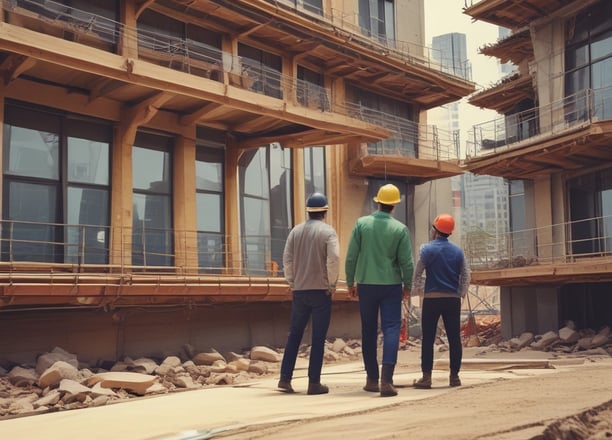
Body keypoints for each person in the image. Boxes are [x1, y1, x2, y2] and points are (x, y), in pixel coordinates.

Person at [345, 183, 414, 397]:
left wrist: (350, 282)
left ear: (377, 202)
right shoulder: (400, 229)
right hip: (391, 285)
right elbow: (407, 262)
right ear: (394, 206)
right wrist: (408, 286)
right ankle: (387, 379)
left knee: (368, 330)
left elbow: (351, 257)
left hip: (366, 284)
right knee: (391, 328)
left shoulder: (361, 224)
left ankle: (372, 379)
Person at [278, 192, 340, 395]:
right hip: (321, 291)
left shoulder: (295, 232)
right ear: (325, 211)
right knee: (318, 338)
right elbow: (334, 258)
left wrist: (292, 282)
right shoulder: (328, 232)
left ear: (308, 211)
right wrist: (332, 284)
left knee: (294, 335)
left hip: (300, 291)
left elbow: (286, 259)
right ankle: (314, 383)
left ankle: (285, 379)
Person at [412, 213, 470, 389]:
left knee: (428, 338)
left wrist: (421, 291)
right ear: (449, 232)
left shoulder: (426, 250)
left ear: (435, 230)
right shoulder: (457, 251)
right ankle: (454, 377)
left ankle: (426, 377)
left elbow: (417, 273)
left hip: (432, 299)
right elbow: (466, 274)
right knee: (454, 338)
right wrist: (460, 292)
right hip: (452, 299)